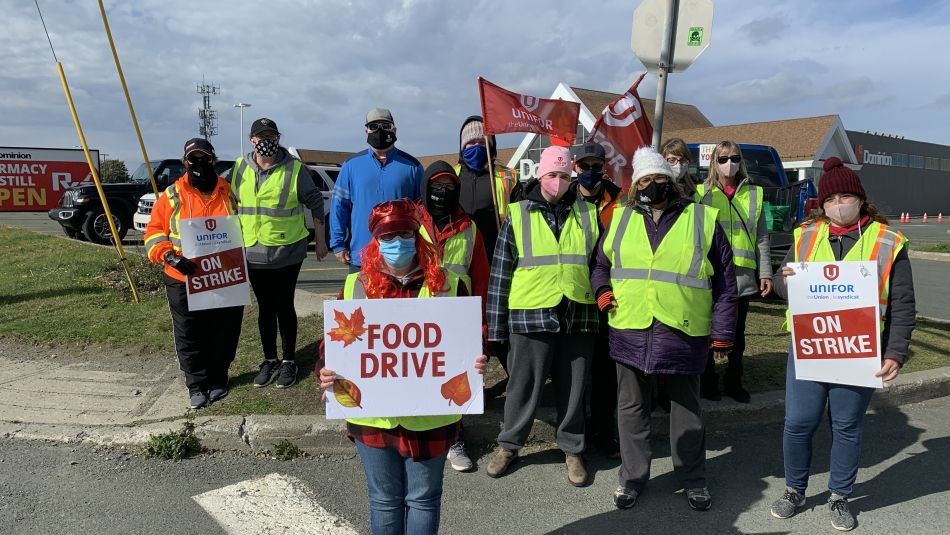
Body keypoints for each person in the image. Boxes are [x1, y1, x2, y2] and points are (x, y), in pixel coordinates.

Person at [318, 199, 487, 535]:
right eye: (388, 236)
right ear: (375, 242)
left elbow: (471, 337)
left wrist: (477, 361)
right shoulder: (355, 285)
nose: (398, 243)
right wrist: (324, 371)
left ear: (418, 235)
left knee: (424, 499)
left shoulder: (451, 284)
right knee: (384, 499)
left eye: (405, 234)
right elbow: (332, 346)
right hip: (373, 415)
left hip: (432, 415)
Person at [769, 157, 915, 531]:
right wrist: (786, 280)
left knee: (847, 424)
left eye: (847, 196)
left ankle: (839, 495)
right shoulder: (805, 236)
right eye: (831, 199)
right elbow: (784, 286)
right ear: (822, 202)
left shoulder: (888, 241)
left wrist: (895, 352)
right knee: (799, 422)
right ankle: (795, 489)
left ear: (860, 199)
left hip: (858, 350)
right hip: (810, 346)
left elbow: (902, 303)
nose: (839, 204)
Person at [590, 146, 738, 512]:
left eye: (659, 178)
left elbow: (725, 282)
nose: (652, 184)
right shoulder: (620, 219)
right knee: (631, 410)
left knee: (686, 411)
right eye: (645, 179)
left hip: (683, 332)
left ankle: (692, 479)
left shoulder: (702, 218)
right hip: (629, 330)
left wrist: (723, 334)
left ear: (671, 181)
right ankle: (632, 479)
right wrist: (603, 293)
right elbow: (599, 265)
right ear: (635, 184)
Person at [485, 145, 600, 487]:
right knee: (522, 387)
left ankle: (573, 449)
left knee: (574, 389)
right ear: (540, 176)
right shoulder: (517, 214)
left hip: (578, 313)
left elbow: (599, 266)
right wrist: (497, 326)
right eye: (552, 175)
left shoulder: (589, 214)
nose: (559, 181)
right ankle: (509, 445)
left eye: (565, 176)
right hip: (530, 314)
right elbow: (500, 273)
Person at [145, 138, 244, 409]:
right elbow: (153, 233)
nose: (198, 163)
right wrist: (171, 257)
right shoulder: (171, 195)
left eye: (204, 158)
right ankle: (196, 384)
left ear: (213, 160)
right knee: (190, 333)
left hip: (224, 277)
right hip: (183, 278)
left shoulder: (229, 192)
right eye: (193, 159)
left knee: (224, 330)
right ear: (184, 162)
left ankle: (218, 379)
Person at [231, 117, 328, 390]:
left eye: (271, 136)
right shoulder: (239, 168)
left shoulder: (294, 169)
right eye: (261, 136)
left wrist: (320, 242)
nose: (266, 141)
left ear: (278, 138)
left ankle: (288, 361)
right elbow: (225, 200)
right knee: (265, 308)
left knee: (284, 305)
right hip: (253, 252)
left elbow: (316, 204)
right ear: (252, 140)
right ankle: (269, 359)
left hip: (288, 252)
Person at [416, 160, 491, 473]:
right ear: (425, 187)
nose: (441, 193)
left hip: (456, 323)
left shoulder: (470, 229)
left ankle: (453, 439)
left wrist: (483, 328)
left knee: (453, 382)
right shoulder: (410, 222)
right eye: (435, 186)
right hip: (415, 319)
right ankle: (418, 434)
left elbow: (482, 281)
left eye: (448, 187)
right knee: (417, 376)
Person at [696, 141, 772, 403]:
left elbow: (762, 237)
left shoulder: (754, 193)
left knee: (737, 336)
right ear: (713, 162)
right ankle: (708, 381)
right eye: (724, 158)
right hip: (709, 275)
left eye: (735, 158)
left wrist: (766, 274)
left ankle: (733, 381)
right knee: (706, 331)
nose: (730, 163)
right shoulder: (700, 193)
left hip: (741, 277)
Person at [570, 141, 623, 458]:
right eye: (585, 166)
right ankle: (576, 435)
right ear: (574, 166)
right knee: (576, 372)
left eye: (597, 166)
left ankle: (604, 432)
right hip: (574, 296)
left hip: (606, 295)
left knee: (605, 372)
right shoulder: (564, 199)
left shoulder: (619, 202)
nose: (591, 172)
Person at [330, 108, 423, 273]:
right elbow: (339, 206)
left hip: (401, 258)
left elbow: (422, 212)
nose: (379, 130)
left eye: (385, 125)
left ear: (394, 130)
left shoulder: (412, 167)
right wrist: (338, 244)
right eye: (373, 126)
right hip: (362, 257)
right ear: (366, 131)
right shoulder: (351, 166)